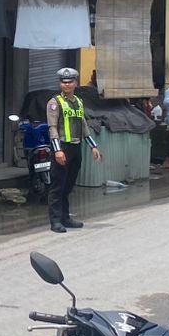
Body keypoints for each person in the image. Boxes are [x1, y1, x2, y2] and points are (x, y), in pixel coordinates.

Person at [45, 67, 102, 233]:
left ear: (76, 83)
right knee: (57, 185)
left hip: (76, 147)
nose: (66, 84)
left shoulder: (78, 101)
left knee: (68, 185)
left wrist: (93, 146)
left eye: (70, 82)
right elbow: (52, 127)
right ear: (59, 83)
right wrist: (57, 150)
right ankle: (55, 221)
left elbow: (83, 125)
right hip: (62, 147)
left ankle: (65, 218)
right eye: (63, 82)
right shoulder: (54, 103)